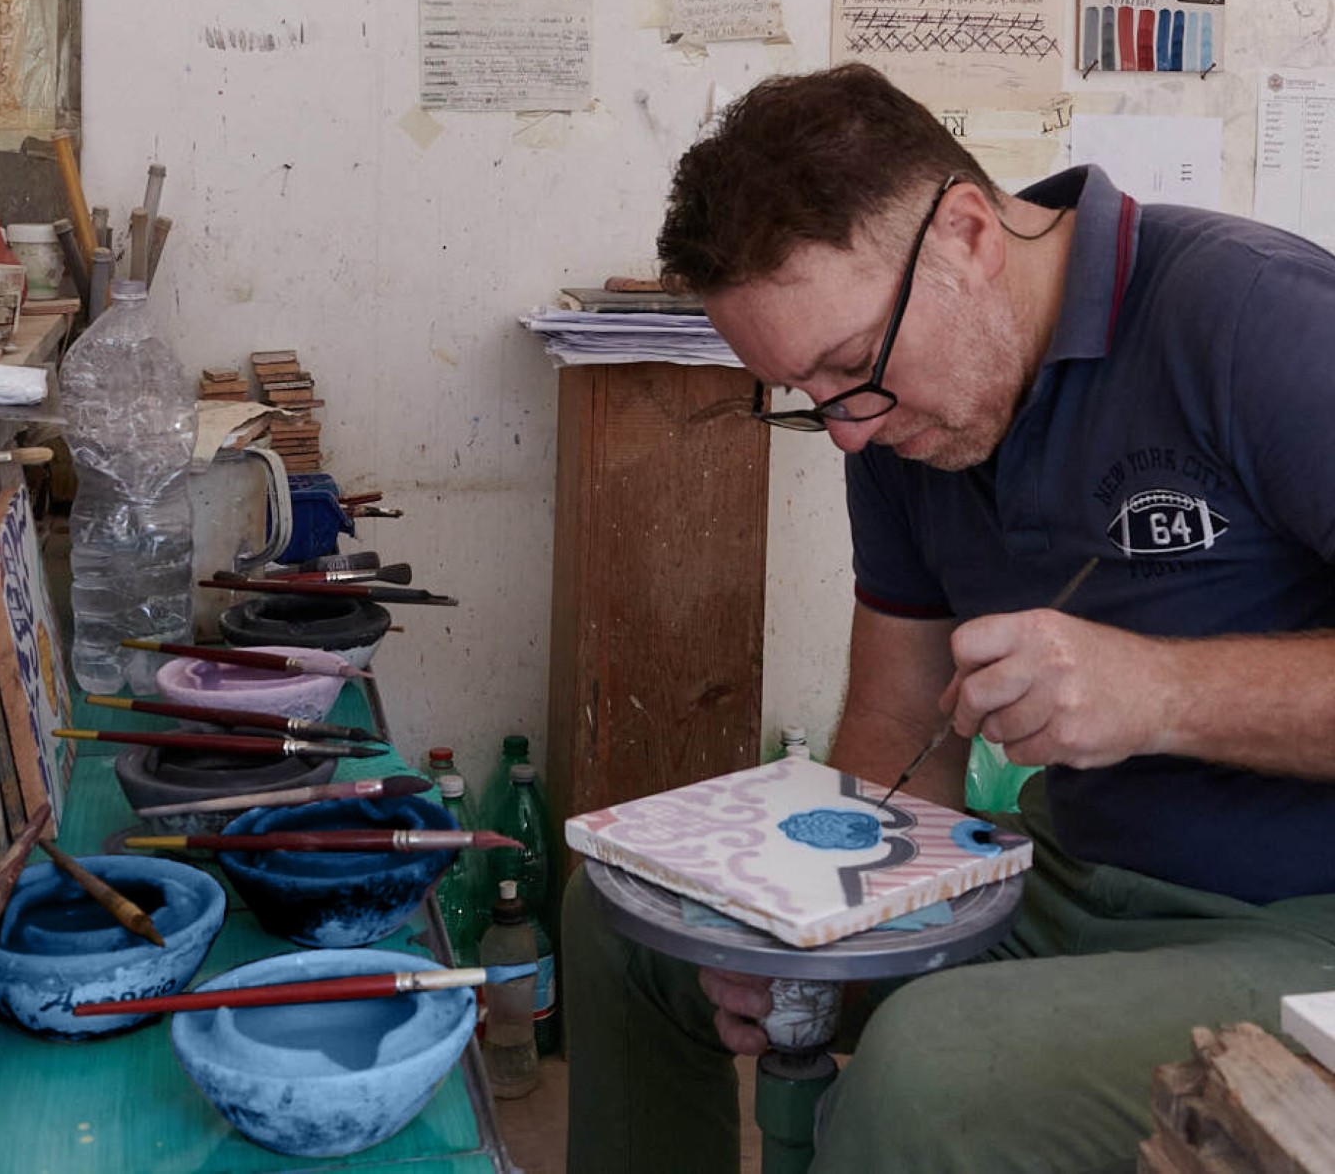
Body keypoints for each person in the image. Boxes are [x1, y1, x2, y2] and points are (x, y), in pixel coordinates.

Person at [563, 62, 1335, 1174]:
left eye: (847, 367)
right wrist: (798, 927)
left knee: (930, 1068)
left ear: (968, 232)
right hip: (1064, 888)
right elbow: (893, 736)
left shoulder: (1252, 317)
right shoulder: (897, 423)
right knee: (624, 924)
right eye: (802, 395)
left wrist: (1160, 692)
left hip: (1297, 927)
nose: (842, 431)